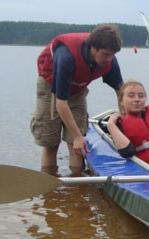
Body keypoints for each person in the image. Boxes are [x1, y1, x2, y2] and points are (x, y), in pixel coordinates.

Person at [30, 24, 124, 174]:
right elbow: (61, 102)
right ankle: (49, 193)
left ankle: (76, 190)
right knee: (51, 143)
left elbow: (121, 92)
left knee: (77, 145)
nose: (109, 59)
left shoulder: (110, 61)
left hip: (78, 89)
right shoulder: (66, 56)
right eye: (106, 54)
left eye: (112, 55)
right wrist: (77, 135)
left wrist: (126, 117)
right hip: (51, 87)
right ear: (93, 48)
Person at [107, 80, 149, 167]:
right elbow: (128, 152)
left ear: (145, 99)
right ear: (121, 101)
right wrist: (110, 124)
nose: (137, 99)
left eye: (141, 96)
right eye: (131, 96)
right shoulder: (119, 124)